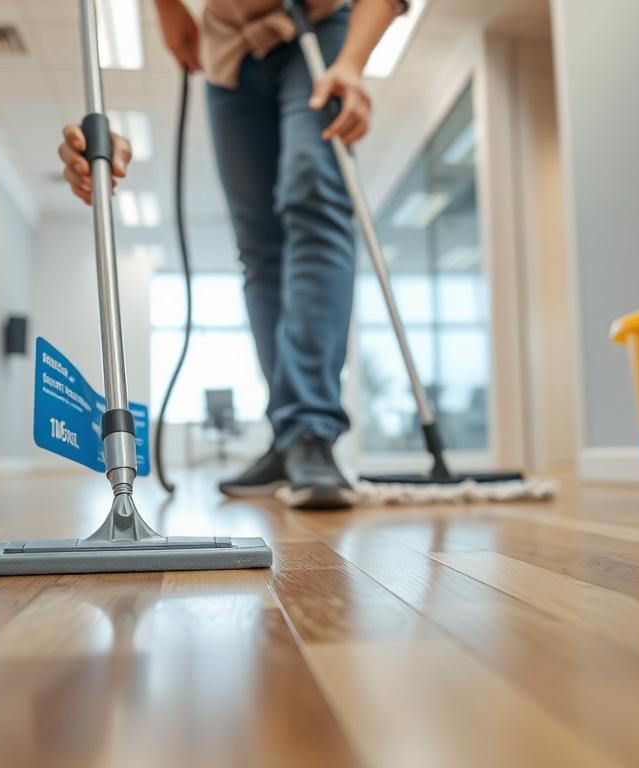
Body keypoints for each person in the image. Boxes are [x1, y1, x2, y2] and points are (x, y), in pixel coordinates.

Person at [58, 0, 406, 508]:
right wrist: (168, 8)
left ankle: (310, 430)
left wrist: (350, 62)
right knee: (259, 245)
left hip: (320, 23)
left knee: (313, 198)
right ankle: (289, 436)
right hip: (227, 50)